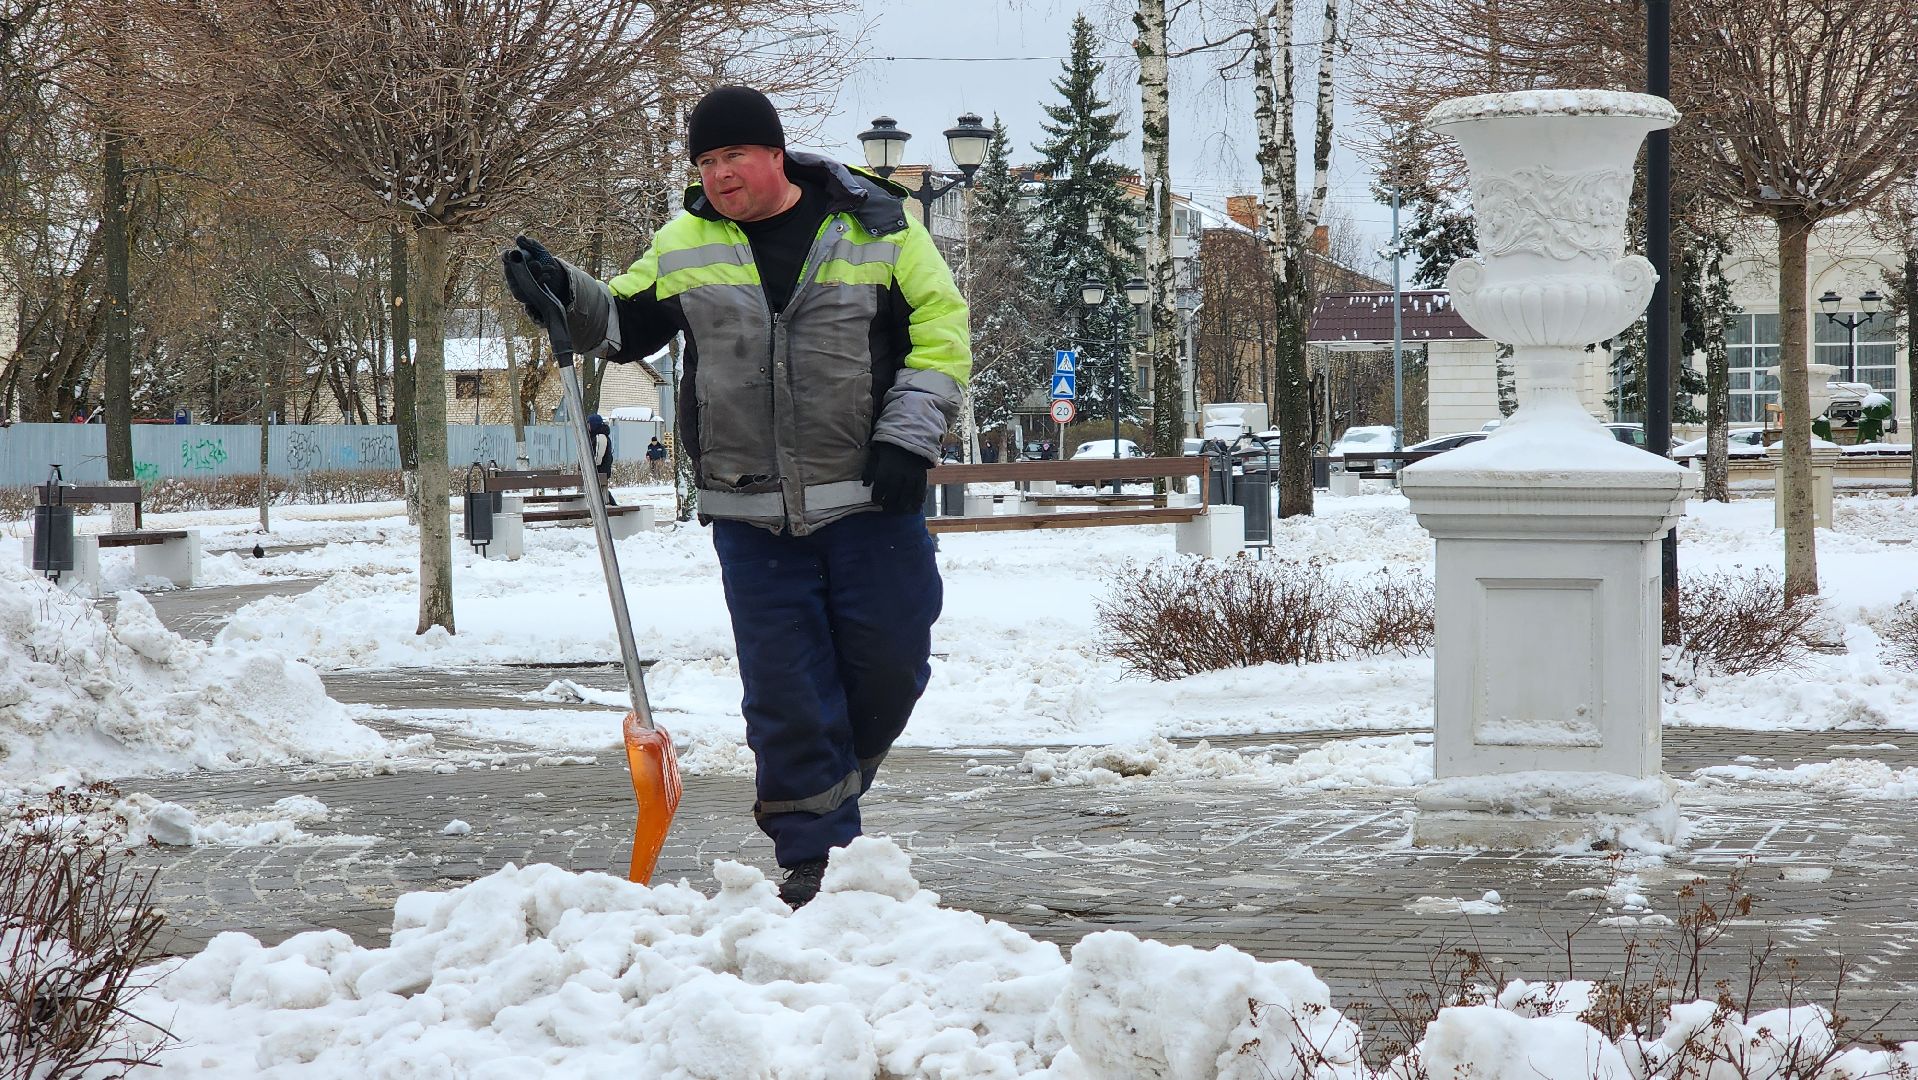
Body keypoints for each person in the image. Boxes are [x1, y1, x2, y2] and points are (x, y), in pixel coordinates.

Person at [504, 86, 968, 908]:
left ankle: (829, 788)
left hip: (872, 497)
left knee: (891, 667)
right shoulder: (685, 242)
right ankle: (815, 852)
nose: (719, 175)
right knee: (787, 690)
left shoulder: (881, 227)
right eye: (706, 161)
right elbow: (621, 324)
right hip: (750, 511)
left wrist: (908, 438)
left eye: (734, 156)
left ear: (776, 155)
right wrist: (561, 289)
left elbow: (940, 334)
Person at [587, 413, 615, 505]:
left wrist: (588, 467)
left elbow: (597, 459)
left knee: (601, 493)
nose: (587, 427)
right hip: (600, 472)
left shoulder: (600, 437)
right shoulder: (596, 436)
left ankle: (613, 508)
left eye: (589, 424)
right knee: (600, 493)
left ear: (594, 424)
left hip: (600, 471)